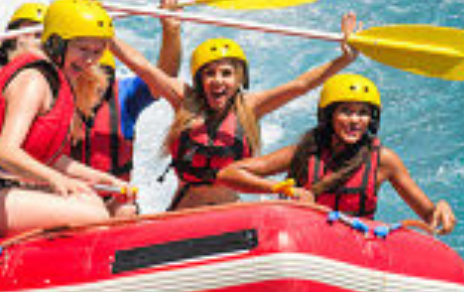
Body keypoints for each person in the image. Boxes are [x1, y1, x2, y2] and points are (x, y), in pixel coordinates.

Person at [110, 14, 359, 210]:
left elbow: (301, 85)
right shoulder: (184, 100)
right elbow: (141, 66)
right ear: (199, 79)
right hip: (185, 211)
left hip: (231, 211)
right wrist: (102, 29)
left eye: (226, 73)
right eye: (210, 73)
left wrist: (344, 60)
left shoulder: (250, 107)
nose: (218, 81)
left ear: (239, 78)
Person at [0, 0, 128, 237]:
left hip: (3, 188)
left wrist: (106, 180)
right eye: (82, 49)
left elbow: (50, 157)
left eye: (97, 52)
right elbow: (7, 153)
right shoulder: (33, 81)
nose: (90, 60)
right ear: (57, 44)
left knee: (91, 200)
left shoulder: (63, 82)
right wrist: (55, 180)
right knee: (94, 216)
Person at [216, 73, 456, 232]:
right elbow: (228, 173)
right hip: (306, 244)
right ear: (329, 116)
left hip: (355, 248)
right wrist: (282, 188)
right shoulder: (303, 153)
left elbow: (430, 217)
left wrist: (442, 208)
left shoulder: (384, 161)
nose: (354, 121)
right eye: (346, 111)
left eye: (362, 113)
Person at [68, 0, 182, 183]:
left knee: (125, 212)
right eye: (87, 76)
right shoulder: (52, 92)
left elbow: (162, 78)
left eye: (103, 77)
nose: (95, 84)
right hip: (67, 198)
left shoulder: (124, 96)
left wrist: (171, 30)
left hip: (115, 201)